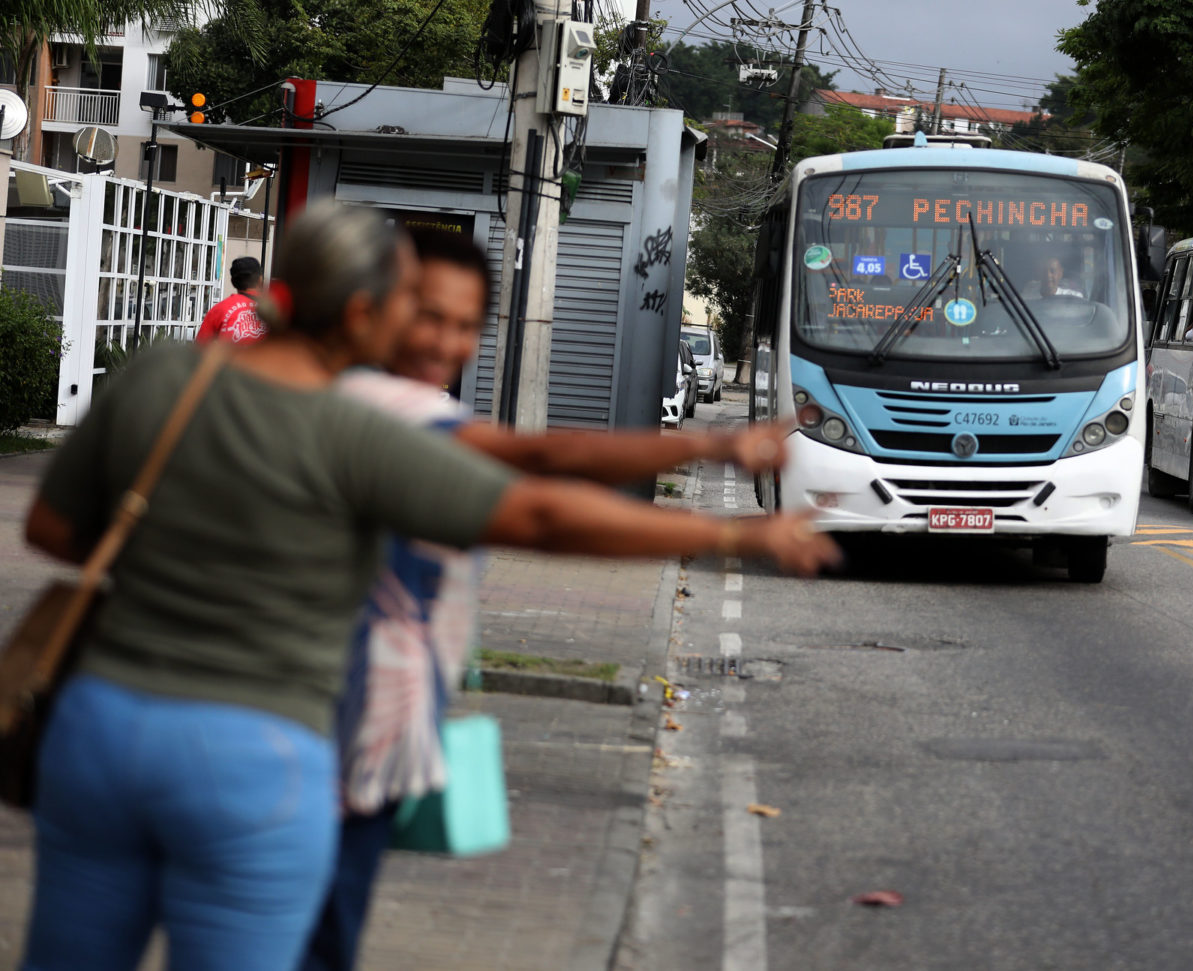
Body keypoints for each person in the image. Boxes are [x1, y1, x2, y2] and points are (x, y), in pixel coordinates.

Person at [21, 203, 839, 971]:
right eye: (407, 305)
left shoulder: (167, 375)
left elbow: (49, 531)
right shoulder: (360, 431)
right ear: (359, 315)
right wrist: (735, 530)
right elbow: (543, 510)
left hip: (99, 731)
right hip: (254, 756)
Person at [300, 227, 794, 970]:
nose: (444, 340)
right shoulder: (376, 407)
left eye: (466, 325)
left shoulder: (376, 402)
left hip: (363, 733)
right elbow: (540, 482)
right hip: (330, 733)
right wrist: (726, 502)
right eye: (426, 313)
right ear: (373, 306)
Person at [195, 256, 267, 343]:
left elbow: (200, 348)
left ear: (233, 282)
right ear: (260, 279)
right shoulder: (278, 311)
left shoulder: (218, 310)